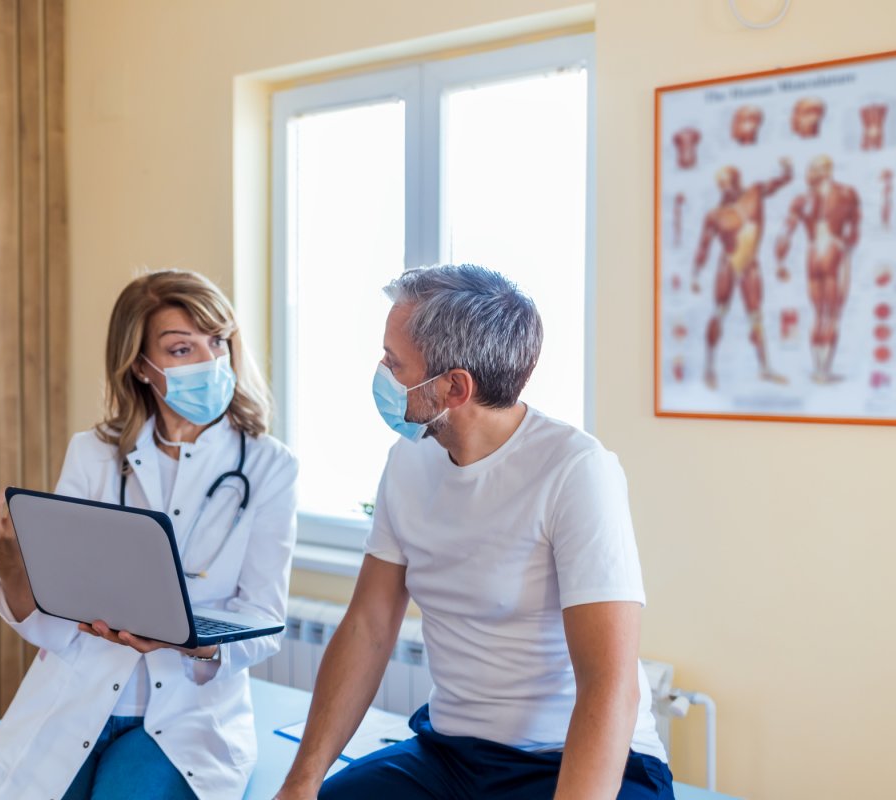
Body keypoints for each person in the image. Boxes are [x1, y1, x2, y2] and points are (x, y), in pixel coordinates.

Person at [275, 265, 672, 800]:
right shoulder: (408, 461)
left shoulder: (576, 470)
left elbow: (609, 686)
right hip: (453, 756)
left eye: (395, 364)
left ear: (455, 386)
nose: (381, 373)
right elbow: (368, 627)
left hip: (574, 759)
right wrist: (300, 785)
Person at [0, 269, 298, 800]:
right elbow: (54, 617)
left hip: (187, 717)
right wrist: (11, 565)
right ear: (140, 365)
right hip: (77, 694)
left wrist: (189, 641)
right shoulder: (94, 453)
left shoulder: (269, 466)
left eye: (217, 341)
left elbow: (265, 621)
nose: (210, 361)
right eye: (182, 349)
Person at [692, 159, 793, 389]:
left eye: (730, 181)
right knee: (718, 313)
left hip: (750, 265)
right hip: (727, 264)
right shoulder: (715, 214)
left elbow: (777, 184)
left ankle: (764, 368)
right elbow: (703, 245)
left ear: (738, 180)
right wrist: (696, 274)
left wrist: (787, 171)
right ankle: (709, 368)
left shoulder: (755, 193)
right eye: (722, 184)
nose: (726, 187)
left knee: (756, 316)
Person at [774, 155, 861, 383]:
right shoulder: (847, 194)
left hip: (813, 254)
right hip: (834, 249)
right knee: (832, 315)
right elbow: (854, 232)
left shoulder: (802, 200)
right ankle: (824, 370)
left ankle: (817, 368)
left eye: (810, 171)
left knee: (818, 314)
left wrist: (780, 261)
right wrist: (847, 249)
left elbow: (785, 233)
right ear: (829, 171)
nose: (808, 175)